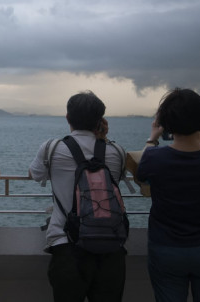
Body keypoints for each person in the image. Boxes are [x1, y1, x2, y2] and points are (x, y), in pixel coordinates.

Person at [136, 88, 200, 302]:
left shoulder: (154, 158)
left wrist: (152, 138)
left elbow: (141, 174)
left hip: (166, 248)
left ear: (166, 123)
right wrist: (199, 140)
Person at [29, 91, 127, 302]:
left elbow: (35, 174)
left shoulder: (52, 148)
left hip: (67, 244)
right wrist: (104, 139)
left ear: (67, 118)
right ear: (101, 120)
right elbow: (115, 179)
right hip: (111, 246)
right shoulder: (117, 151)